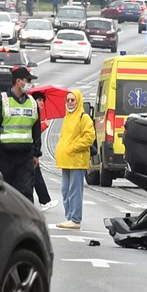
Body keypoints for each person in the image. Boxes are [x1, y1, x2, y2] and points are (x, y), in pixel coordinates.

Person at [0, 65, 41, 202]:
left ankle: (25, 221)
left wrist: (36, 153)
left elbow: (36, 130)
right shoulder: (2, 101)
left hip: (25, 156)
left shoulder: (32, 103)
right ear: (18, 81)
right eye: (27, 80)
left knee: (26, 191)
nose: (29, 84)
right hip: (5, 155)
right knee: (4, 191)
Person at [54, 89, 95, 230]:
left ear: (78, 101)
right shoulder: (67, 117)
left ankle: (75, 219)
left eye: (73, 100)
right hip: (66, 160)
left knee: (74, 190)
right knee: (65, 190)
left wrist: (73, 148)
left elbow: (89, 137)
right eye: (68, 100)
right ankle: (69, 218)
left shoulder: (84, 118)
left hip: (77, 160)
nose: (70, 103)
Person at [30, 90, 59, 213]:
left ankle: (44, 201)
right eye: (39, 100)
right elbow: (32, 133)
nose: (41, 103)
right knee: (33, 177)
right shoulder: (32, 113)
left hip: (31, 151)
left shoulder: (37, 114)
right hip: (29, 151)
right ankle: (43, 202)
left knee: (35, 177)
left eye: (43, 100)